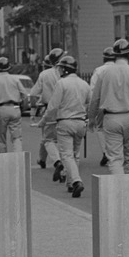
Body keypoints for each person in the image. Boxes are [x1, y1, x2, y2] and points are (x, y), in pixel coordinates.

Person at [88, 39, 129, 175]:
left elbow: (95, 99)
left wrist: (92, 118)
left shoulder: (104, 73)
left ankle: (119, 192)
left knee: (115, 158)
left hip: (111, 118)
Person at [39, 55, 92, 198]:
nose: (60, 70)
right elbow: (90, 103)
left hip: (65, 122)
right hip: (80, 122)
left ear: (65, 69)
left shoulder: (62, 83)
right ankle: (70, 183)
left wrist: (43, 121)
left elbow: (53, 106)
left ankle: (76, 181)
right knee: (75, 154)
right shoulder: (84, 84)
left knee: (67, 155)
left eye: (61, 68)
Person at [0, 56, 30, 152]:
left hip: (2, 109)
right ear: (9, 67)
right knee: (17, 137)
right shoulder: (15, 80)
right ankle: (18, 159)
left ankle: (4, 161)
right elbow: (24, 95)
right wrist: (23, 107)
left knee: (1, 138)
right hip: (15, 108)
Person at [29, 47, 65, 177]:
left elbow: (33, 94)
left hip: (48, 109)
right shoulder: (66, 73)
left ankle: (54, 161)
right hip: (65, 110)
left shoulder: (45, 74)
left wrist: (33, 111)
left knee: (47, 138)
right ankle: (46, 160)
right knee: (60, 138)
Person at [89, 47, 116, 166]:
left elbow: (93, 90)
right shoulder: (119, 70)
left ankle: (105, 152)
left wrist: (91, 110)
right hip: (117, 104)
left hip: (101, 103)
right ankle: (115, 152)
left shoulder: (99, 71)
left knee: (100, 128)